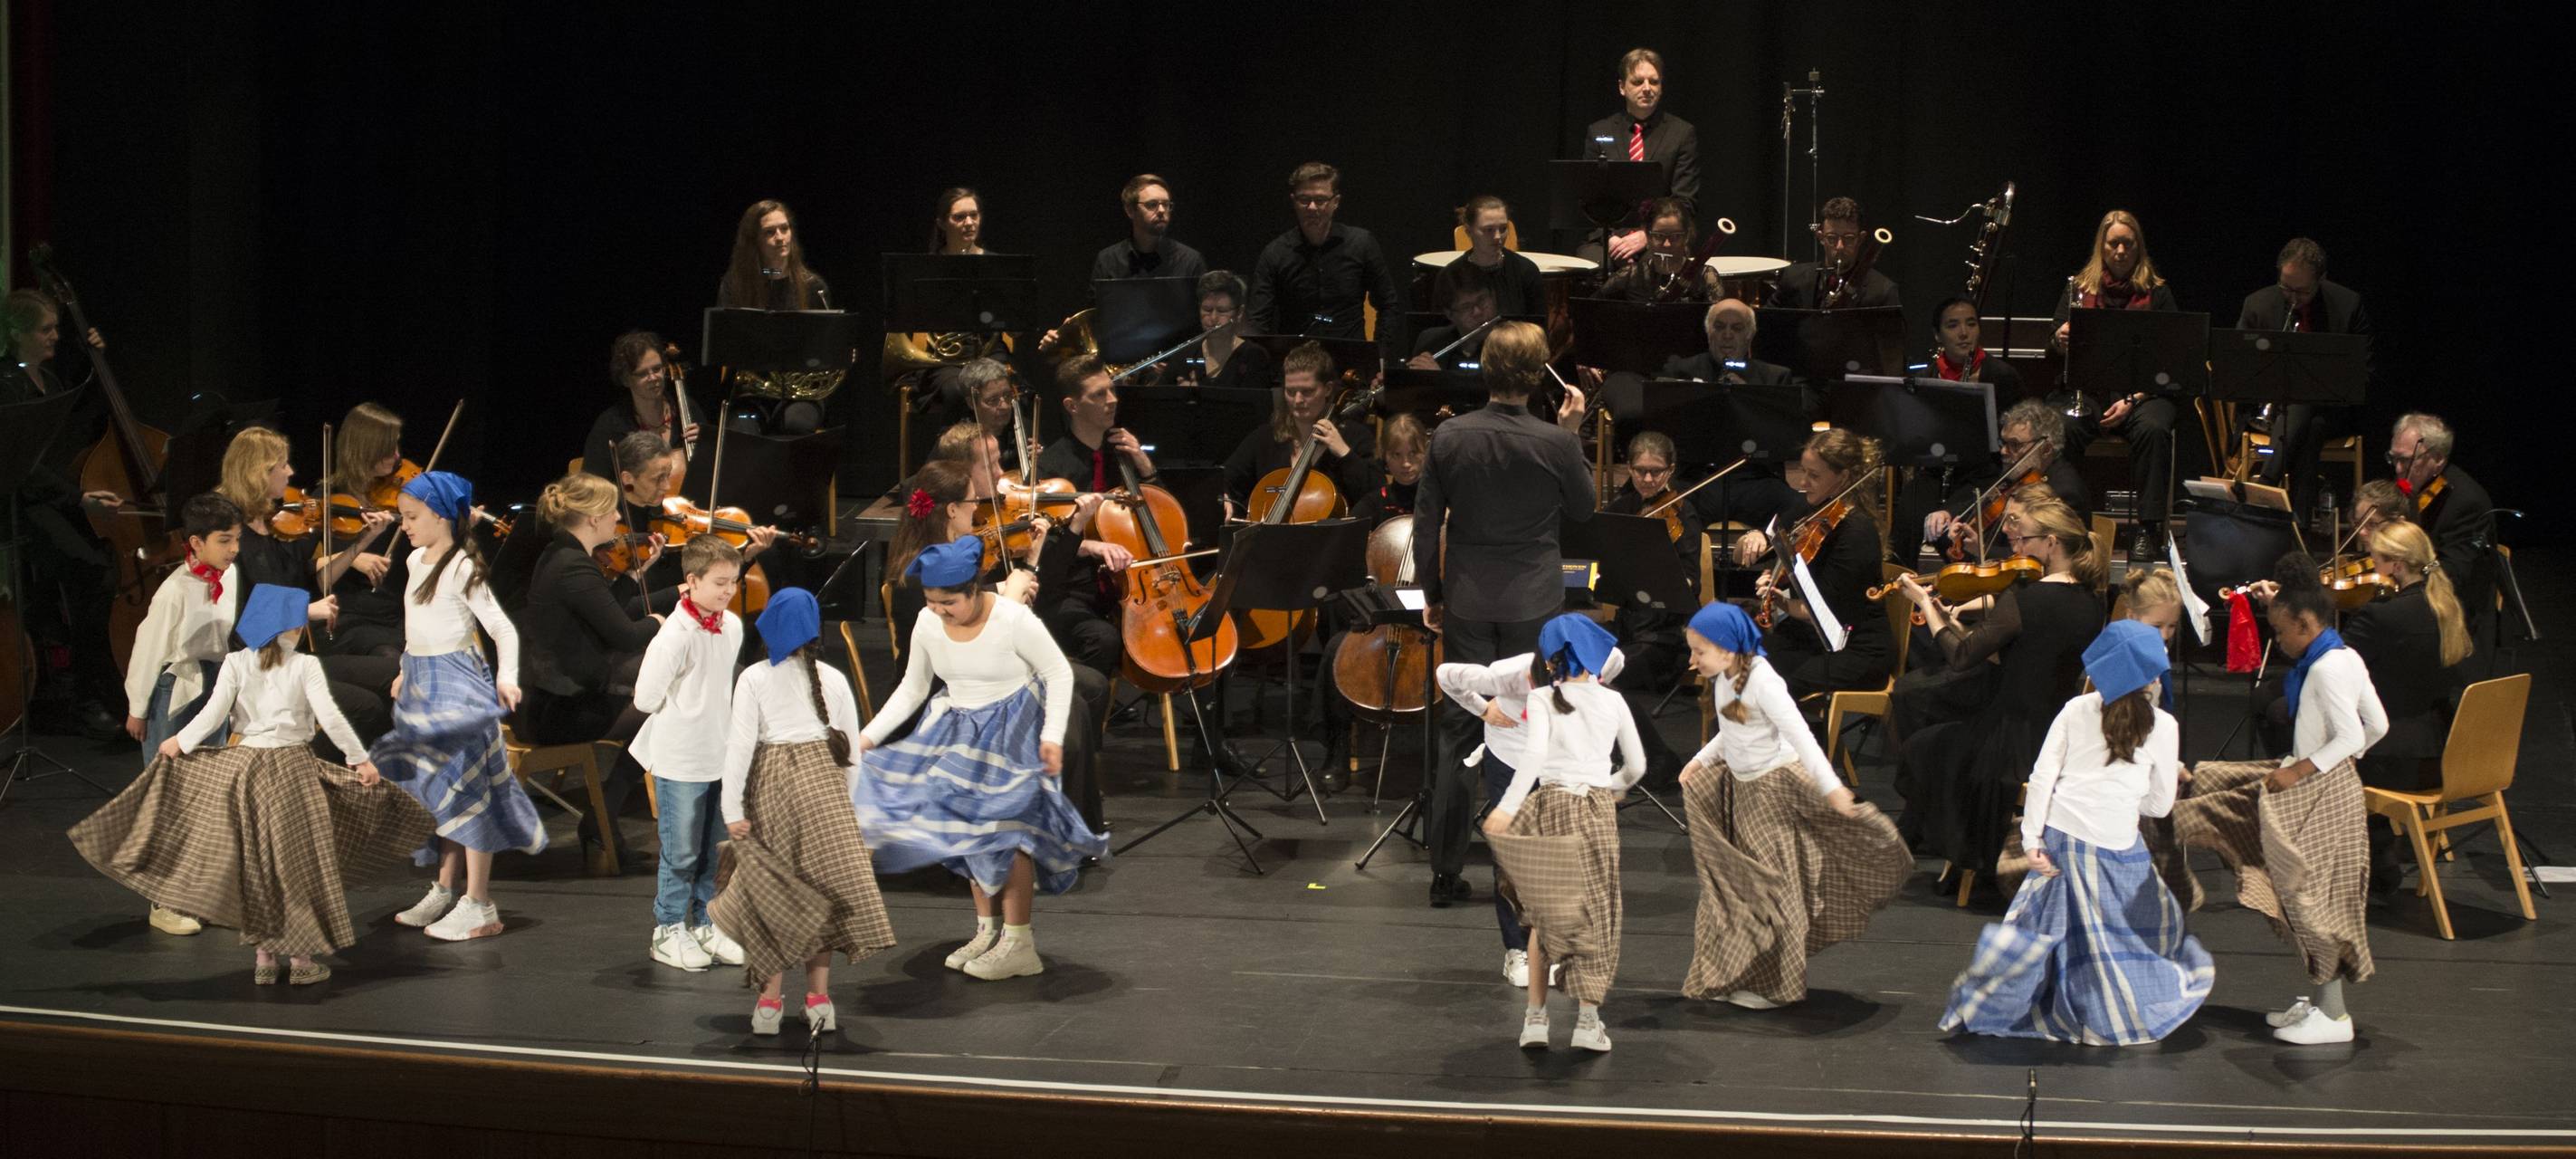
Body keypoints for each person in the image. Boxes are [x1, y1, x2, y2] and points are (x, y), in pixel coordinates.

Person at [68, 585, 429, 987]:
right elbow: (331, 715)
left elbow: (213, 713)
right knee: (295, 866)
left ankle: (264, 957)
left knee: (258, 865)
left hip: (248, 771)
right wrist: (358, 758)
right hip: (291, 769)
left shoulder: (238, 662)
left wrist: (178, 742)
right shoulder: (303, 665)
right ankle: (301, 959)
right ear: (291, 627)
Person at [1940, 619, 2213, 1045]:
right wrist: (2130, 796)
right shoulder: (2164, 726)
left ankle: (2015, 1003)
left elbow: (2043, 776)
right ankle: (2102, 1018)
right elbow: (2159, 806)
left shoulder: (2075, 710)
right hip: (2116, 845)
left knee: (2054, 933)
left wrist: (2032, 840)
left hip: (2062, 840)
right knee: (2114, 936)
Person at [854, 538, 1109, 982]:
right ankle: (987, 930)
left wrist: (1051, 736)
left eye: (948, 601)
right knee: (966, 830)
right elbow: (914, 688)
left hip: (1014, 727)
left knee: (1003, 832)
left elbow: (1058, 672)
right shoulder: (927, 622)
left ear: (973, 590)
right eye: (932, 601)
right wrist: (869, 737)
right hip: (959, 728)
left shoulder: (1012, 619)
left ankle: (1018, 941)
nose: (939, 610)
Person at [1414, 321, 1593, 907]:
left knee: (1462, 729)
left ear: (1487, 369)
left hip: (1467, 598)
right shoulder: (1556, 441)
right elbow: (1585, 510)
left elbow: (1425, 524)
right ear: (1538, 373)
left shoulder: (1449, 437)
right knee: (1537, 724)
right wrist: (1572, 432)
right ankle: (1528, 862)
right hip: (1533, 604)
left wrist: (1432, 593)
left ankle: (1444, 867)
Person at [2173, 557, 2385, 1046]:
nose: (2278, 641)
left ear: (2307, 625)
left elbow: (2352, 732)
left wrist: (2303, 769)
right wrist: (2342, 763)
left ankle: (2334, 1017)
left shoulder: (2328, 669)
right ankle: (2321, 1003)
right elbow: (2377, 727)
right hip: (2327, 783)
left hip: (2316, 793)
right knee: (2304, 896)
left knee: (2311, 900)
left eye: (2282, 632)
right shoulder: (2344, 657)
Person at [1676, 602, 1910, 1009]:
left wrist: (1832, 787)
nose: (1692, 661)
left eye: (1699, 652)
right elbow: (1733, 726)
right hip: (1745, 792)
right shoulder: (1725, 677)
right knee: (1744, 888)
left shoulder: (1764, 681)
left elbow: (1801, 735)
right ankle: (1740, 971)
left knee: (1773, 888)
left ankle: (1776, 986)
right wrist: (1701, 760)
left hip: (1774, 791)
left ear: (1729, 650)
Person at [1894, 498, 2107, 889]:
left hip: (2008, 741)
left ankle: (1958, 854)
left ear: (2052, 543)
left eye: (2025, 539)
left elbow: (1961, 657)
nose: (2018, 548)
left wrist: (1928, 606)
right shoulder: (2093, 601)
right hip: (2054, 735)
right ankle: (1928, 850)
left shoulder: (2026, 599)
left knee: (1922, 747)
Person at [710, 588, 894, 1037]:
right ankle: (819, 1000)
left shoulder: (754, 678)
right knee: (822, 896)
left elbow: (739, 748)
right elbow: (851, 751)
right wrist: (844, 806)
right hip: (826, 792)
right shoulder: (833, 678)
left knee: (776, 894)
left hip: (773, 789)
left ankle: (770, 1003)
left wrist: (731, 806)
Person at [370, 470, 543, 943]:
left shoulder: (463, 566)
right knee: (438, 793)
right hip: (424, 683)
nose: (404, 525)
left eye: (412, 516)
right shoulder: (415, 561)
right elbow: (417, 624)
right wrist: (407, 668)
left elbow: (502, 629)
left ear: (442, 515)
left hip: (458, 684)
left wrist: (506, 679)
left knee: (469, 793)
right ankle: (445, 890)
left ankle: (480, 903)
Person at [1479, 614, 1643, 1052]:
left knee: (1545, 913)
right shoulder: (1614, 702)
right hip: (1595, 811)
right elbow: (1638, 766)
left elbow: (1531, 760)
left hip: (1551, 807)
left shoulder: (1543, 701)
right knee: (1595, 913)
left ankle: (1535, 1019)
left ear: (1551, 661)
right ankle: (1588, 1022)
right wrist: (1609, 785)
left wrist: (1508, 808)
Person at [1436, 637, 1628, 988]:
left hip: (1565, 762)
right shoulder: (1509, 674)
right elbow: (1446, 674)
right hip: (1513, 759)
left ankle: (1561, 947)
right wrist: (1482, 709)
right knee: (1515, 859)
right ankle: (1517, 949)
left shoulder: (1607, 660)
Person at [212, 426, 395, 753]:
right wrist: (306, 610)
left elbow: (315, 579)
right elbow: (244, 618)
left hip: (296, 656)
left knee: (397, 674)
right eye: (283, 465)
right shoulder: (233, 539)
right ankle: (301, 771)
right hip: (261, 666)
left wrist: (361, 542)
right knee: (366, 708)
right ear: (259, 472)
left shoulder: (276, 526)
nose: (291, 472)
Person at [512, 473, 662, 863]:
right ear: (594, 518)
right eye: (612, 509)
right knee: (661, 708)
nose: (617, 516)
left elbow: (604, 613)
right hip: (557, 710)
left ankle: (601, 821)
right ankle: (599, 820)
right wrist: (660, 623)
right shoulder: (573, 566)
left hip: (553, 697)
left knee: (655, 699)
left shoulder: (563, 556)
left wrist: (633, 578)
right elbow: (626, 636)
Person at [114, 493, 242, 937]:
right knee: (167, 792)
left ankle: (202, 892)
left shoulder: (232, 575)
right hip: (176, 688)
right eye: (224, 541)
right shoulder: (174, 589)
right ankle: (163, 899)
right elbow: (148, 649)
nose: (233, 549)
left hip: (215, 684)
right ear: (196, 542)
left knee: (207, 794)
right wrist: (138, 707)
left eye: (236, 540)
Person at [3, 287, 124, 738]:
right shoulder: (6, 384)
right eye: (46, 329)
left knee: (99, 572)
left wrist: (94, 358)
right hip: (24, 505)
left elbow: (74, 423)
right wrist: (79, 500)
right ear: (16, 333)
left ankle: (96, 685)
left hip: (56, 500)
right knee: (90, 572)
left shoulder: (48, 381)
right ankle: (83, 692)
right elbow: (25, 467)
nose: (55, 336)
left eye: (57, 327)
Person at [625, 535, 749, 972]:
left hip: (721, 752)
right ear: (691, 581)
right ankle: (668, 928)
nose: (728, 591)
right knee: (680, 851)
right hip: (681, 757)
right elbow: (644, 698)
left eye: (734, 582)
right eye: (719, 583)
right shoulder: (673, 636)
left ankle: (705, 923)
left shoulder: (731, 626)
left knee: (715, 849)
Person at [2341, 521, 2474, 898]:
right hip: (2443, 757)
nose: (2369, 562)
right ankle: (2378, 849)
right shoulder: (2447, 607)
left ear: (2396, 565)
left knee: (2295, 720)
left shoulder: (2383, 616)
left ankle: (2374, 852)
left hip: (2399, 765)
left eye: (2375, 557)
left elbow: (2334, 664)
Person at [2052, 209, 2182, 559]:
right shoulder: (2078, 288)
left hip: (2144, 394)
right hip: (2091, 392)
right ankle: (2070, 527)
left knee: (2155, 429)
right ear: (2102, 247)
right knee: (2061, 427)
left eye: (2128, 243)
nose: (2121, 251)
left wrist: (2133, 400)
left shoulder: (2158, 294)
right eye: (2114, 244)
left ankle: (2148, 530)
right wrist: (2060, 338)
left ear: (2139, 247)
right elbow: (2055, 338)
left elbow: (2172, 357)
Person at [1731, 429, 1895, 697]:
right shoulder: (1810, 509)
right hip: (1810, 639)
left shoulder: (1857, 532)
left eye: (1814, 475)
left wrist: (1781, 600)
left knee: (1763, 684)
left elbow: (1822, 613)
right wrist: (1753, 537)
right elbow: (1741, 557)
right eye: (1803, 471)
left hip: (1855, 650)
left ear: (1843, 478)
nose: (1804, 482)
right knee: (1737, 659)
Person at [2244, 238, 2373, 518]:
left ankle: (2267, 481)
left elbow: (2363, 371)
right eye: (2285, 287)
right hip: (2271, 414)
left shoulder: (2347, 305)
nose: (2292, 298)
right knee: (2309, 428)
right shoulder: (2258, 304)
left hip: (2333, 411)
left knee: (2306, 405)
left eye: (2301, 292)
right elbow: (2239, 366)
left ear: (2322, 280)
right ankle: (2299, 527)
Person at [1245, 161, 1404, 364]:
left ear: (1335, 201)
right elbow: (1259, 321)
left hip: (1350, 363)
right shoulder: (1275, 253)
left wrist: (1380, 357)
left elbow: (1388, 304)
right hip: (1296, 367)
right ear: (1293, 201)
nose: (1312, 207)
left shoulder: (1361, 244)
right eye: (1304, 199)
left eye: (1320, 200)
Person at [1917, 398, 2088, 564]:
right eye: (2003, 443)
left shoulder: (2065, 491)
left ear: (2046, 449)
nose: (2004, 451)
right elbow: (1982, 501)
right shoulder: (2018, 475)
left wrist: (1982, 551)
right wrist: (1947, 514)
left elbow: (2043, 559)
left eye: (2015, 444)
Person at [1224, 341, 1379, 520]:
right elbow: (1225, 478)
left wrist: (1344, 453)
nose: (1297, 400)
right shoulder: (1266, 437)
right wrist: (1224, 497)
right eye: (1290, 391)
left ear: (1327, 389)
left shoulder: (1354, 436)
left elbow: (1376, 495)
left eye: (1307, 391)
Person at [2387, 412, 2495, 664]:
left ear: (2437, 459)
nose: (2398, 470)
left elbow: (2452, 575)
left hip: (2454, 625)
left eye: (2406, 461)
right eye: (2394, 459)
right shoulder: (2413, 489)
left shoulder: (2467, 502)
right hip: (2416, 602)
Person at [1577, 48, 1700, 265]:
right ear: (1622, 87)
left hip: (1662, 239)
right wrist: (1612, 239)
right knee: (1591, 263)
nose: (1647, 88)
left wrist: (1647, 236)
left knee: (1656, 263)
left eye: (1654, 82)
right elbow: (1587, 197)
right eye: (1637, 82)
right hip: (1608, 238)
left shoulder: (1682, 133)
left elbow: (1684, 202)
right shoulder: (1599, 131)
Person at [1600, 431, 1702, 694]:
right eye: (1640, 471)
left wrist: (1662, 578)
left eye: (1656, 472)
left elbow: (1691, 582)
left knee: (1612, 675)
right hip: (1627, 626)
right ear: (1629, 469)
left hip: (1665, 634)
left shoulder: (1684, 514)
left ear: (1670, 471)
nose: (1647, 479)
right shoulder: (1620, 509)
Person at [316, 403, 415, 659]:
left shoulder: (399, 495)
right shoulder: (327, 500)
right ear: (366, 449)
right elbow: (307, 569)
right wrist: (354, 557)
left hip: (396, 615)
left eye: (396, 445)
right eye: (388, 448)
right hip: (349, 620)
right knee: (393, 658)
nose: (397, 456)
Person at [582, 331, 702, 481]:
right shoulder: (610, 426)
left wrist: (707, 443)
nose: (653, 378)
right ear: (626, 380)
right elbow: (594, 486)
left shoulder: (688, 409)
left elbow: (714, 470)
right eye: (642, 374)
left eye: (657, 369)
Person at [1768, 197, 1899, 310]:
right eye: (1832, 238)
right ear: (1821, 237)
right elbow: (1765, 326)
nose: (1840, 246)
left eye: (1849, 238)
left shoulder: (1883, 291)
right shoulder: (1793, 280)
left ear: (1861, 239)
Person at [1591, 197, 1722, 302]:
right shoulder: (1630, 275)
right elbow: (1591, 309)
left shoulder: (1705, 276)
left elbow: (1720, 323)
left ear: (1686, 236)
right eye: (1659, 236)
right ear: (1647, 236)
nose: (1667, 244)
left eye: (1675, 236)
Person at [1089, 173, 1207, 285]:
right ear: (1130, 210)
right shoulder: (1107, 261)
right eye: (1152, 204)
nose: (1161, 210)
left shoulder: (1191, 261)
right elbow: (1096, 306)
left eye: (1166, 204)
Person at [717, 198, 830, 311]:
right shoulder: (735, 285)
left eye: (785, 228)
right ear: (754, 240)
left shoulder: (813, 287)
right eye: (769, 232)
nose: (780, 238)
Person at [1445, 196, 1547, 315]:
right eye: (1489, 229)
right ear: (1469, 231)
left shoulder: (1526, 271)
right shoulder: (1451, 275)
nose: (1498, 236)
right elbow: (1442, 329)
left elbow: (1538, 327)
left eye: (1503, 229)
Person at [1177, 271, 1274, 389]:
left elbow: (1255, 405)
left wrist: (1200, 396)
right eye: (1207, 309)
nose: (1213, 318)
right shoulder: (1184, 354)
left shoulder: (1254, 357)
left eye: (1222, 311)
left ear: (1239, 313)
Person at [1407, 261, 1502, 373]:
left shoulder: (1514, 345)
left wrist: (1438, 380)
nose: (1478, 312)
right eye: (1466, 307)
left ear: (1493, 296)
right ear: (1449, 314)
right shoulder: (1430, 341)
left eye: (1482, 300)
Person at [930, 187, 987, 254]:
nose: (969, 223)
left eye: (974, 215)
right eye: (959, 217)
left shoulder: (997, 262)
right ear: (942, 224)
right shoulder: (927, 263)